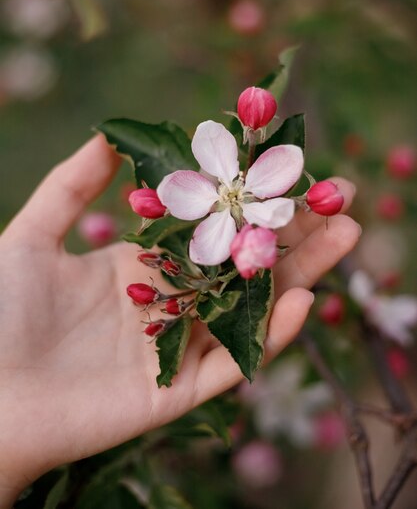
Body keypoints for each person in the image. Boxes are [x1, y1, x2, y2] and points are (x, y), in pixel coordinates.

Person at [0, 135, 361, 508]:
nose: (232, 194)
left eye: (234, 190)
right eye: (229, 190)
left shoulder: (263, 209)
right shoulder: (205, 237)